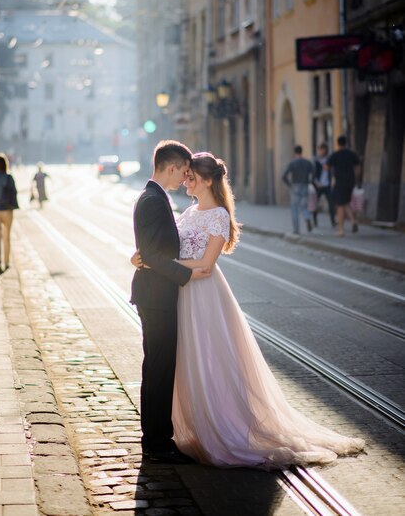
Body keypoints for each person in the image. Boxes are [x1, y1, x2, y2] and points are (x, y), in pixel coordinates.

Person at [132, 152, 365, 470]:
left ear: (209, 180)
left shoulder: (218, 216)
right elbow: (163, 246)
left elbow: (205, 266)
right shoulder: (186, 212)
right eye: (185, 175)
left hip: (203, 295)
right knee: (185, 364)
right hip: (179, 295)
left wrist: (160, 263)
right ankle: (191, 427)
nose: (186, 180)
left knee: (212, 360)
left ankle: (222, 425)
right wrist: (144, 257)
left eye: (192, 176)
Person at [130, 140, 211, 465]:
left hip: (156, 294)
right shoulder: (152, 200)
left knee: (158, 367)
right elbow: (151, 253)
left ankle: (156, 439)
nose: (184, 180)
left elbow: (150, 251)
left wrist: (146, 258)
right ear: (172, 167)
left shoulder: (154, 197)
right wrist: (185, 275)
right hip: (157, 296)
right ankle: (157, 443)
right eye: (184, 173)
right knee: (159, 368)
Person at [327, 136, 360, 237]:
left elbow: (326, 167)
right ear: (346, 143)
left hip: (340, 182)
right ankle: (353, 221)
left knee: (340, 206)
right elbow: (358, 167)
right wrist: (356, 178)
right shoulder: (351, 154)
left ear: (337, 143)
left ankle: (341, 230)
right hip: (350, 182)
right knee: (345, 203)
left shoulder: (335, 155)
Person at [282, 145, 314, 234]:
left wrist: (289, 184)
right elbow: (313, 173)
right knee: (304, 206)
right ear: (301, 151)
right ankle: (307, 217)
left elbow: (283, 176)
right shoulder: (307, 162)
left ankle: (296, 230)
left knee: (294, 208)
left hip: (295, 186)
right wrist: (310, 181)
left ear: (295, 152)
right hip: (305, 185)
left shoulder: (292, 163)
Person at [313, 143, 336, 228]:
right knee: (315, 203)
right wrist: (316, 183)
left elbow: (333, 171)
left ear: (326, 150)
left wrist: (333, 180)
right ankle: (314, 220)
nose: (321, 151)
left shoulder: (329, 159)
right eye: (320, 149)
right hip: (318, 185)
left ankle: (333, 221)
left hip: (327, 185)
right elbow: (313, 174)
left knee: (331, 203)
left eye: (323, 149)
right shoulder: (316, 160)